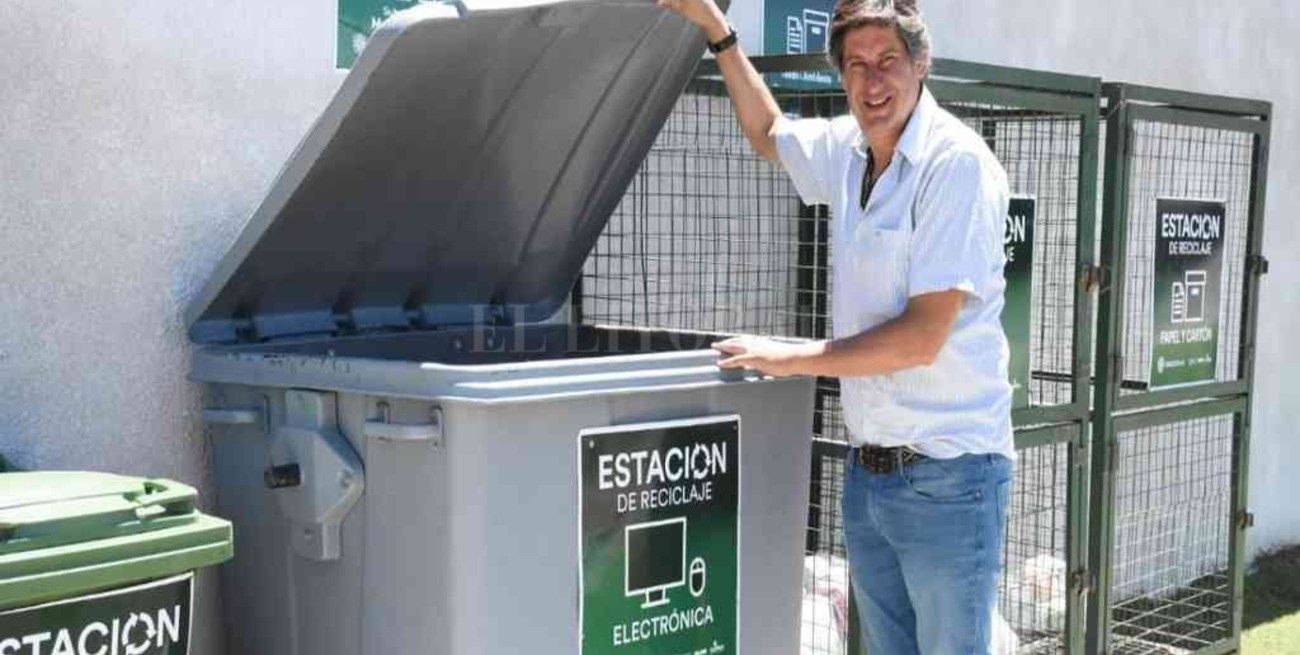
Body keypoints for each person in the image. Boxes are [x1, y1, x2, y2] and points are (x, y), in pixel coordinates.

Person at [657, 0, 1015, 653]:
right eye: (856, 66)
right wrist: (718, 32)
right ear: (841, 76)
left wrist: (789, 357)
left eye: (887, 63)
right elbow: (767, 133)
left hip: (950, 478)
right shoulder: (849, 152)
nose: (872, 83)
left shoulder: (954, 165)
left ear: (921, 63)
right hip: (870, 476)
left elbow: (920, 337)